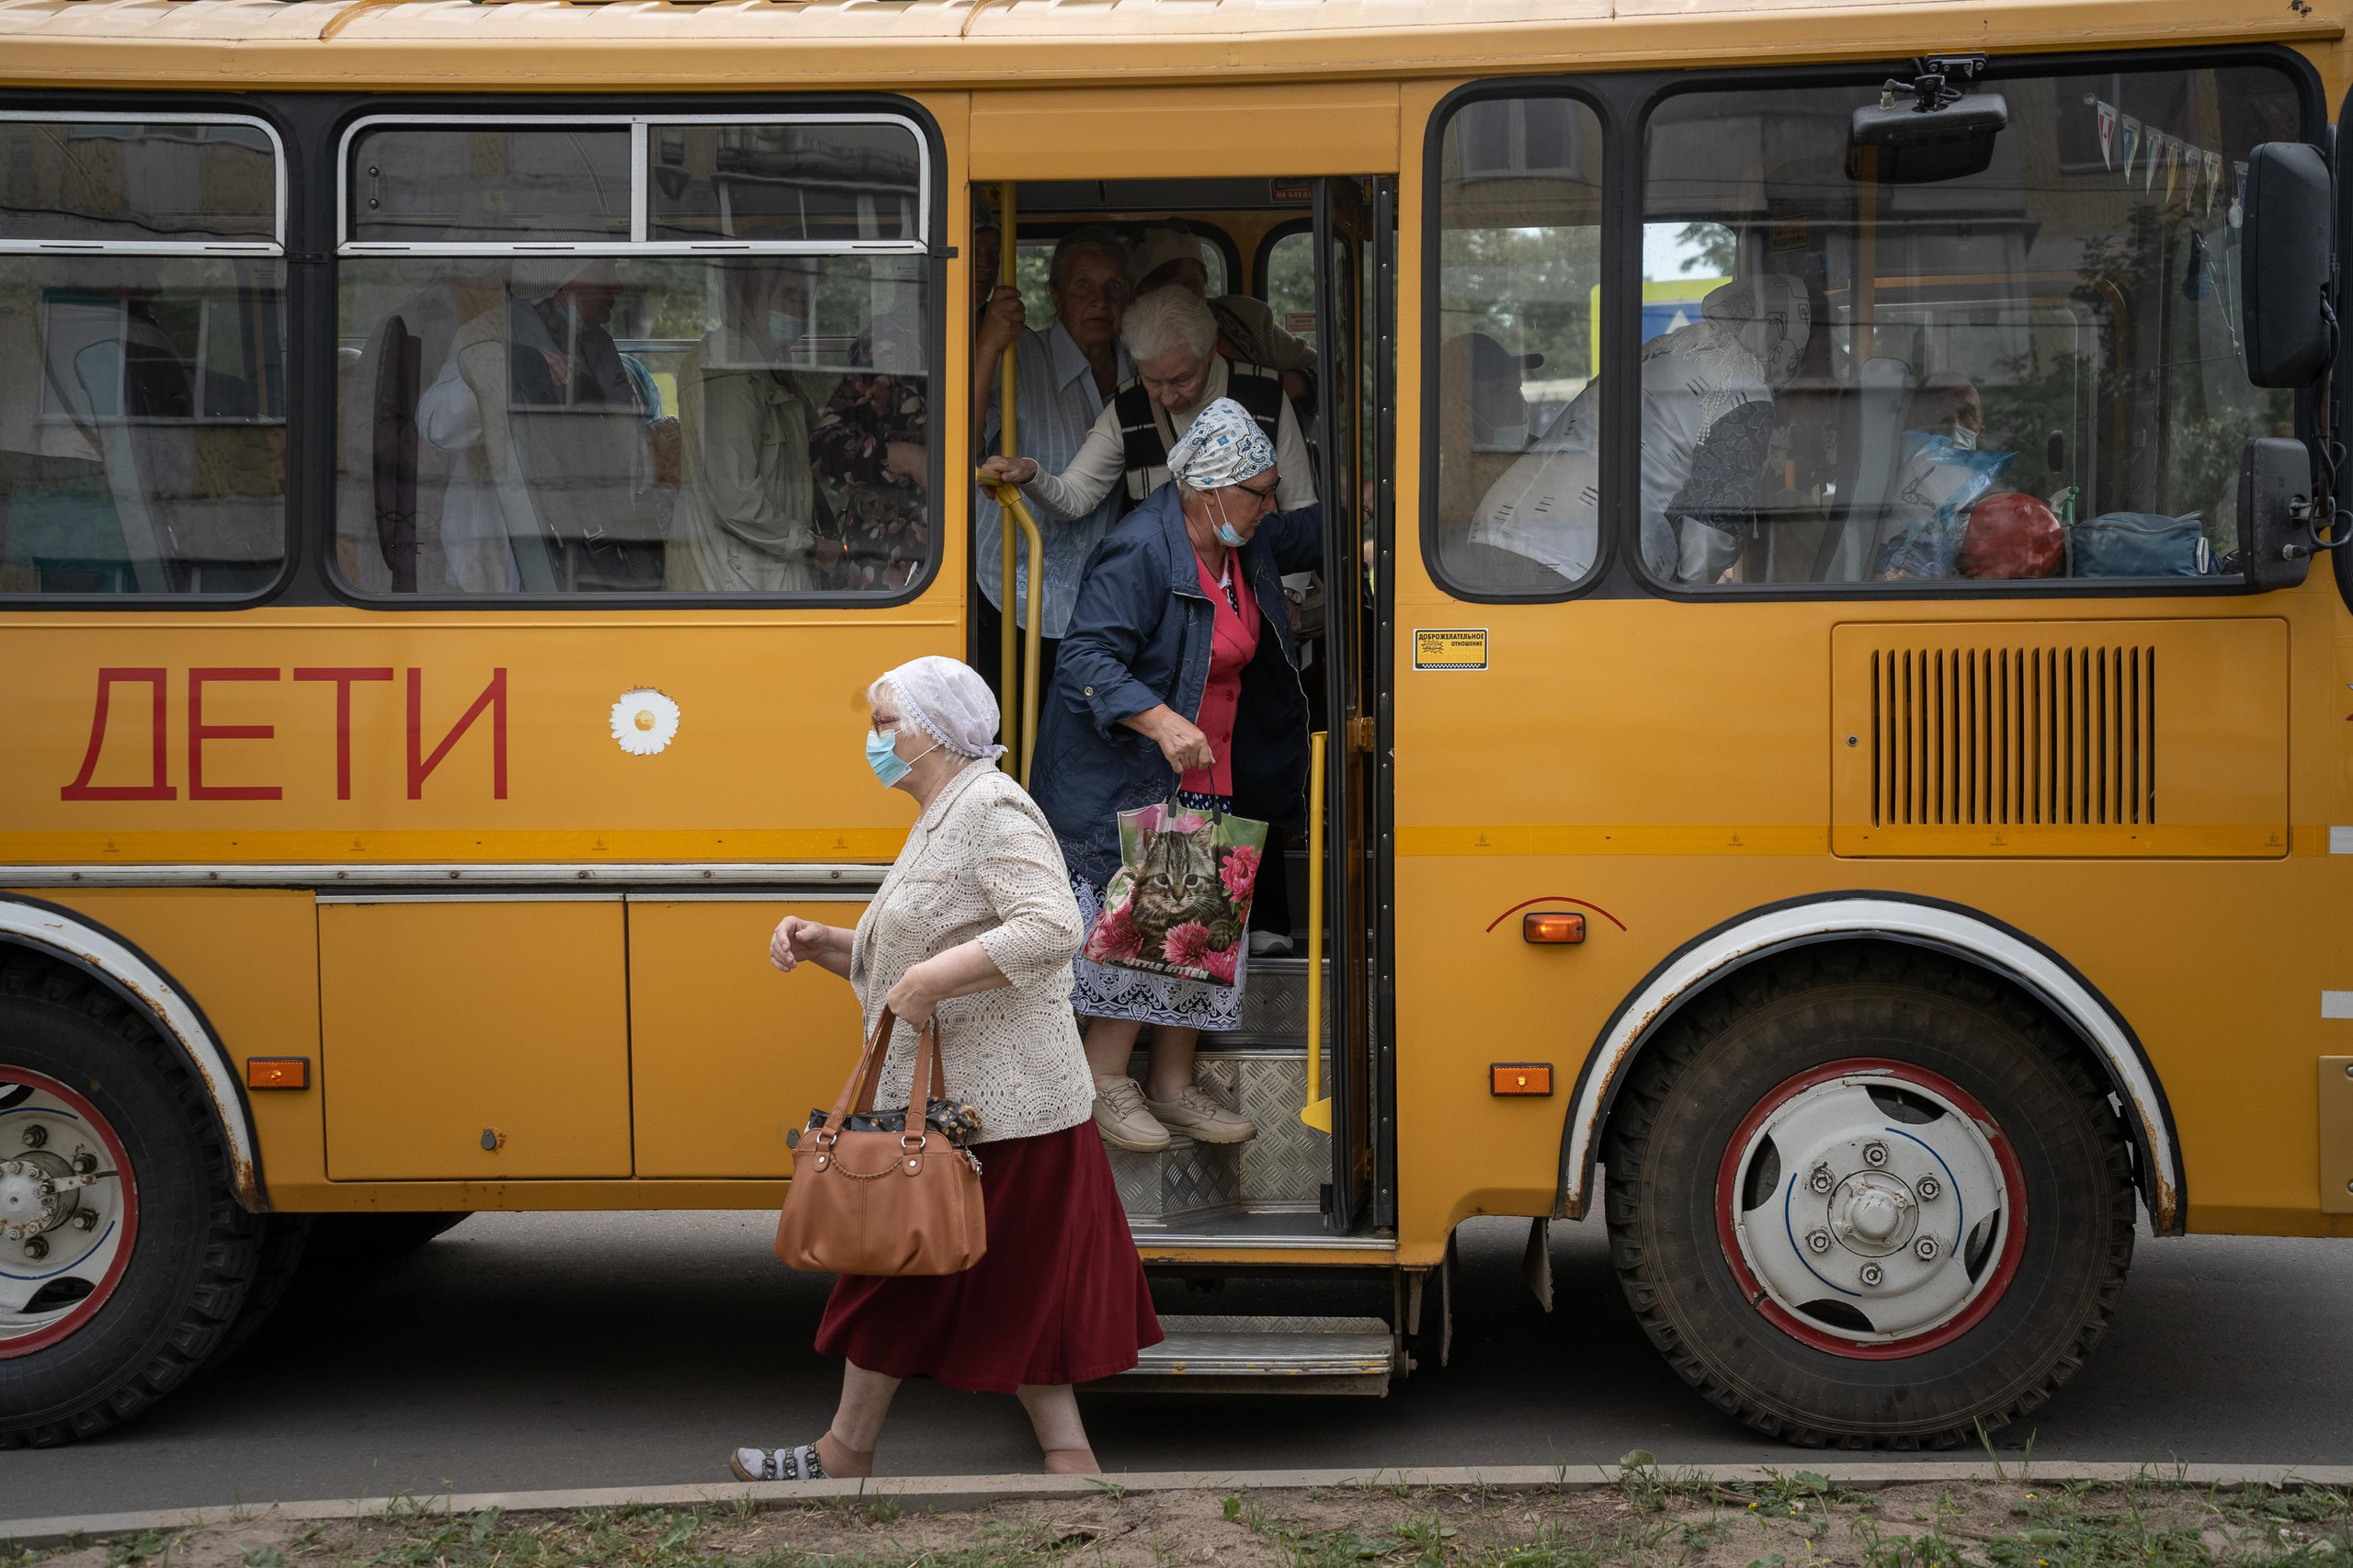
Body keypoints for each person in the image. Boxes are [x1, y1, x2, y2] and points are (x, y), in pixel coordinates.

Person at [733, 656, 1159, 1483]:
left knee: (905, 1276)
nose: (876, 737)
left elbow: (1049, 928)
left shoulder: (992, 807)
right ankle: (1063, 1464)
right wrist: (832, 945)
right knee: (989, 1287)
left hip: (1006, 1113)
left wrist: (932, 980)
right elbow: (919, 949)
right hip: (969, 1116)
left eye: (887, 720)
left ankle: (847, 1454)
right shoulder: (943, 814)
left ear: (935, 729)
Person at [1030, 400, 1319, 1153]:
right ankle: (1104, 1082)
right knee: (1148, 931)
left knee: (1194, 940)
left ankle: (1171, 1084)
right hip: (1142, 773)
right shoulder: (1141, 551)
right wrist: (1159, 719)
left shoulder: (1239, 541)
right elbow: (1086, 662)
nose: (1271, 506)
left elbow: (1306, 531)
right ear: (1210, 491)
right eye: (1259, 492)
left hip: (1208, 771)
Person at [1465, 273, 1810, 587]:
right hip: (1581, 553)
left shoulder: (1663, 348)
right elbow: (1714, 523)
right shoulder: (1747, 391)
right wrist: (1690, 593)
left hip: (1494, 525)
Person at [981, 287, 1316, 525]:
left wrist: (1291, 592)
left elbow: (1300, 505)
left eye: (1182, 379)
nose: (1167, 397)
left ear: (1212, 350)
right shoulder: (1128, 405)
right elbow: (1076, 496)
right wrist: (1031, 474)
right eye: (1153, 381)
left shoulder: (1267, 395)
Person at [970, 228, 1135, 690]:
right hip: (1007, 584)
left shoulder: (1143, 370)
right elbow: (962, 441)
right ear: (1056, 296)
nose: (1100, 301)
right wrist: (986, 346)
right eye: (1083, 286)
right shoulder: (1019, 357)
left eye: (1113, 288)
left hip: (1100, 595)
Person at [665, 262, 825, 593]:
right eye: (788, 295)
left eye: (805, 297)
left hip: (758, 569)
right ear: (754, 299)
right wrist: (810, 547)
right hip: (735, 576)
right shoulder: (729, 371)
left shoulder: (767, 363)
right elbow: (735, 499)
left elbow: (815, 442)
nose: (798, 309)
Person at [1126, 222, 1316, 404]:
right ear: (1138, 296)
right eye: (1164, 290)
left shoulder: (1245, 317)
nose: (1181, 298)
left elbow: (1324, 371)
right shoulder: (1126, 341)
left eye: (1189, 285)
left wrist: (1283, 386)